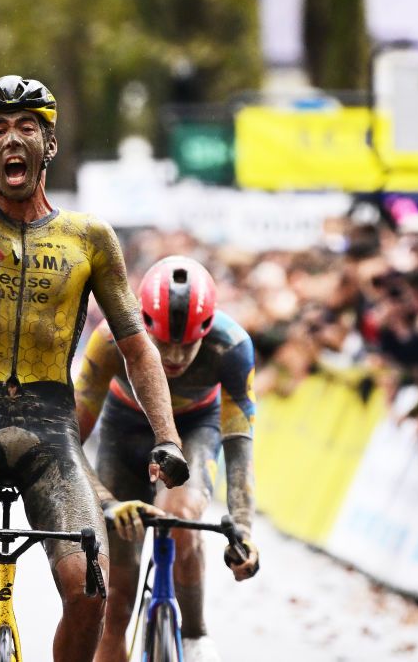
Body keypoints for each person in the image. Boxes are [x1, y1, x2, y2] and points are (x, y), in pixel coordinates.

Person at [0, 23, 191, 662]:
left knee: (89, 585)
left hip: (53, 432)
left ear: (48, 142)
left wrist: (167, 438)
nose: (10, 138)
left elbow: (137, 345)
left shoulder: (90, 238)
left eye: (25, 125)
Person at [74, 256, 260, 662]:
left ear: (207, 331)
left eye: (188, 344)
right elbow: (69, 440)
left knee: (181, 513)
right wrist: (107, 501)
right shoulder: (109, 341)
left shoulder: (232, 347)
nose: (175, 356)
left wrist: (242, 527)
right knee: (117, 591)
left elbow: (239, 440)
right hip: (125, 430)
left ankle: (194, 635)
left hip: (196, 426)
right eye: (163, 344)